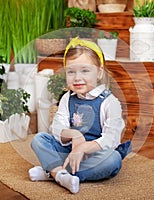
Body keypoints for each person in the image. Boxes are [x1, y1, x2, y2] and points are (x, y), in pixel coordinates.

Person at [28, 37, 131, 194]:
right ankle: (61, 173)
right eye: (71, 72)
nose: (77, 78)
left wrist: (83, 148)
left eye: (85, 70)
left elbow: (111, 138)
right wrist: (74, 134)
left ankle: (54, 172)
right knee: (39, 139)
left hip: (94, 154)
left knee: (113, 159)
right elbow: (56, 127)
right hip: (69, 151)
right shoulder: (67, 98)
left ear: (99, 73)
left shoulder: (110, 102)